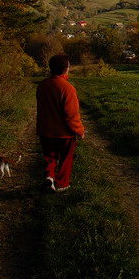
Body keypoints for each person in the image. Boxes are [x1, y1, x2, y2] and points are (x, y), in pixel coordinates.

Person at [36, 54, 85, 192]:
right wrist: (79, 131)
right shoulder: (67, 88)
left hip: (45, 130)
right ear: (66, 69)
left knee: (49, 157)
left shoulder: (42, 85)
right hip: (65, 134)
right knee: (65, 159)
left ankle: (49, 178)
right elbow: (71, 115)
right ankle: (62, 184)